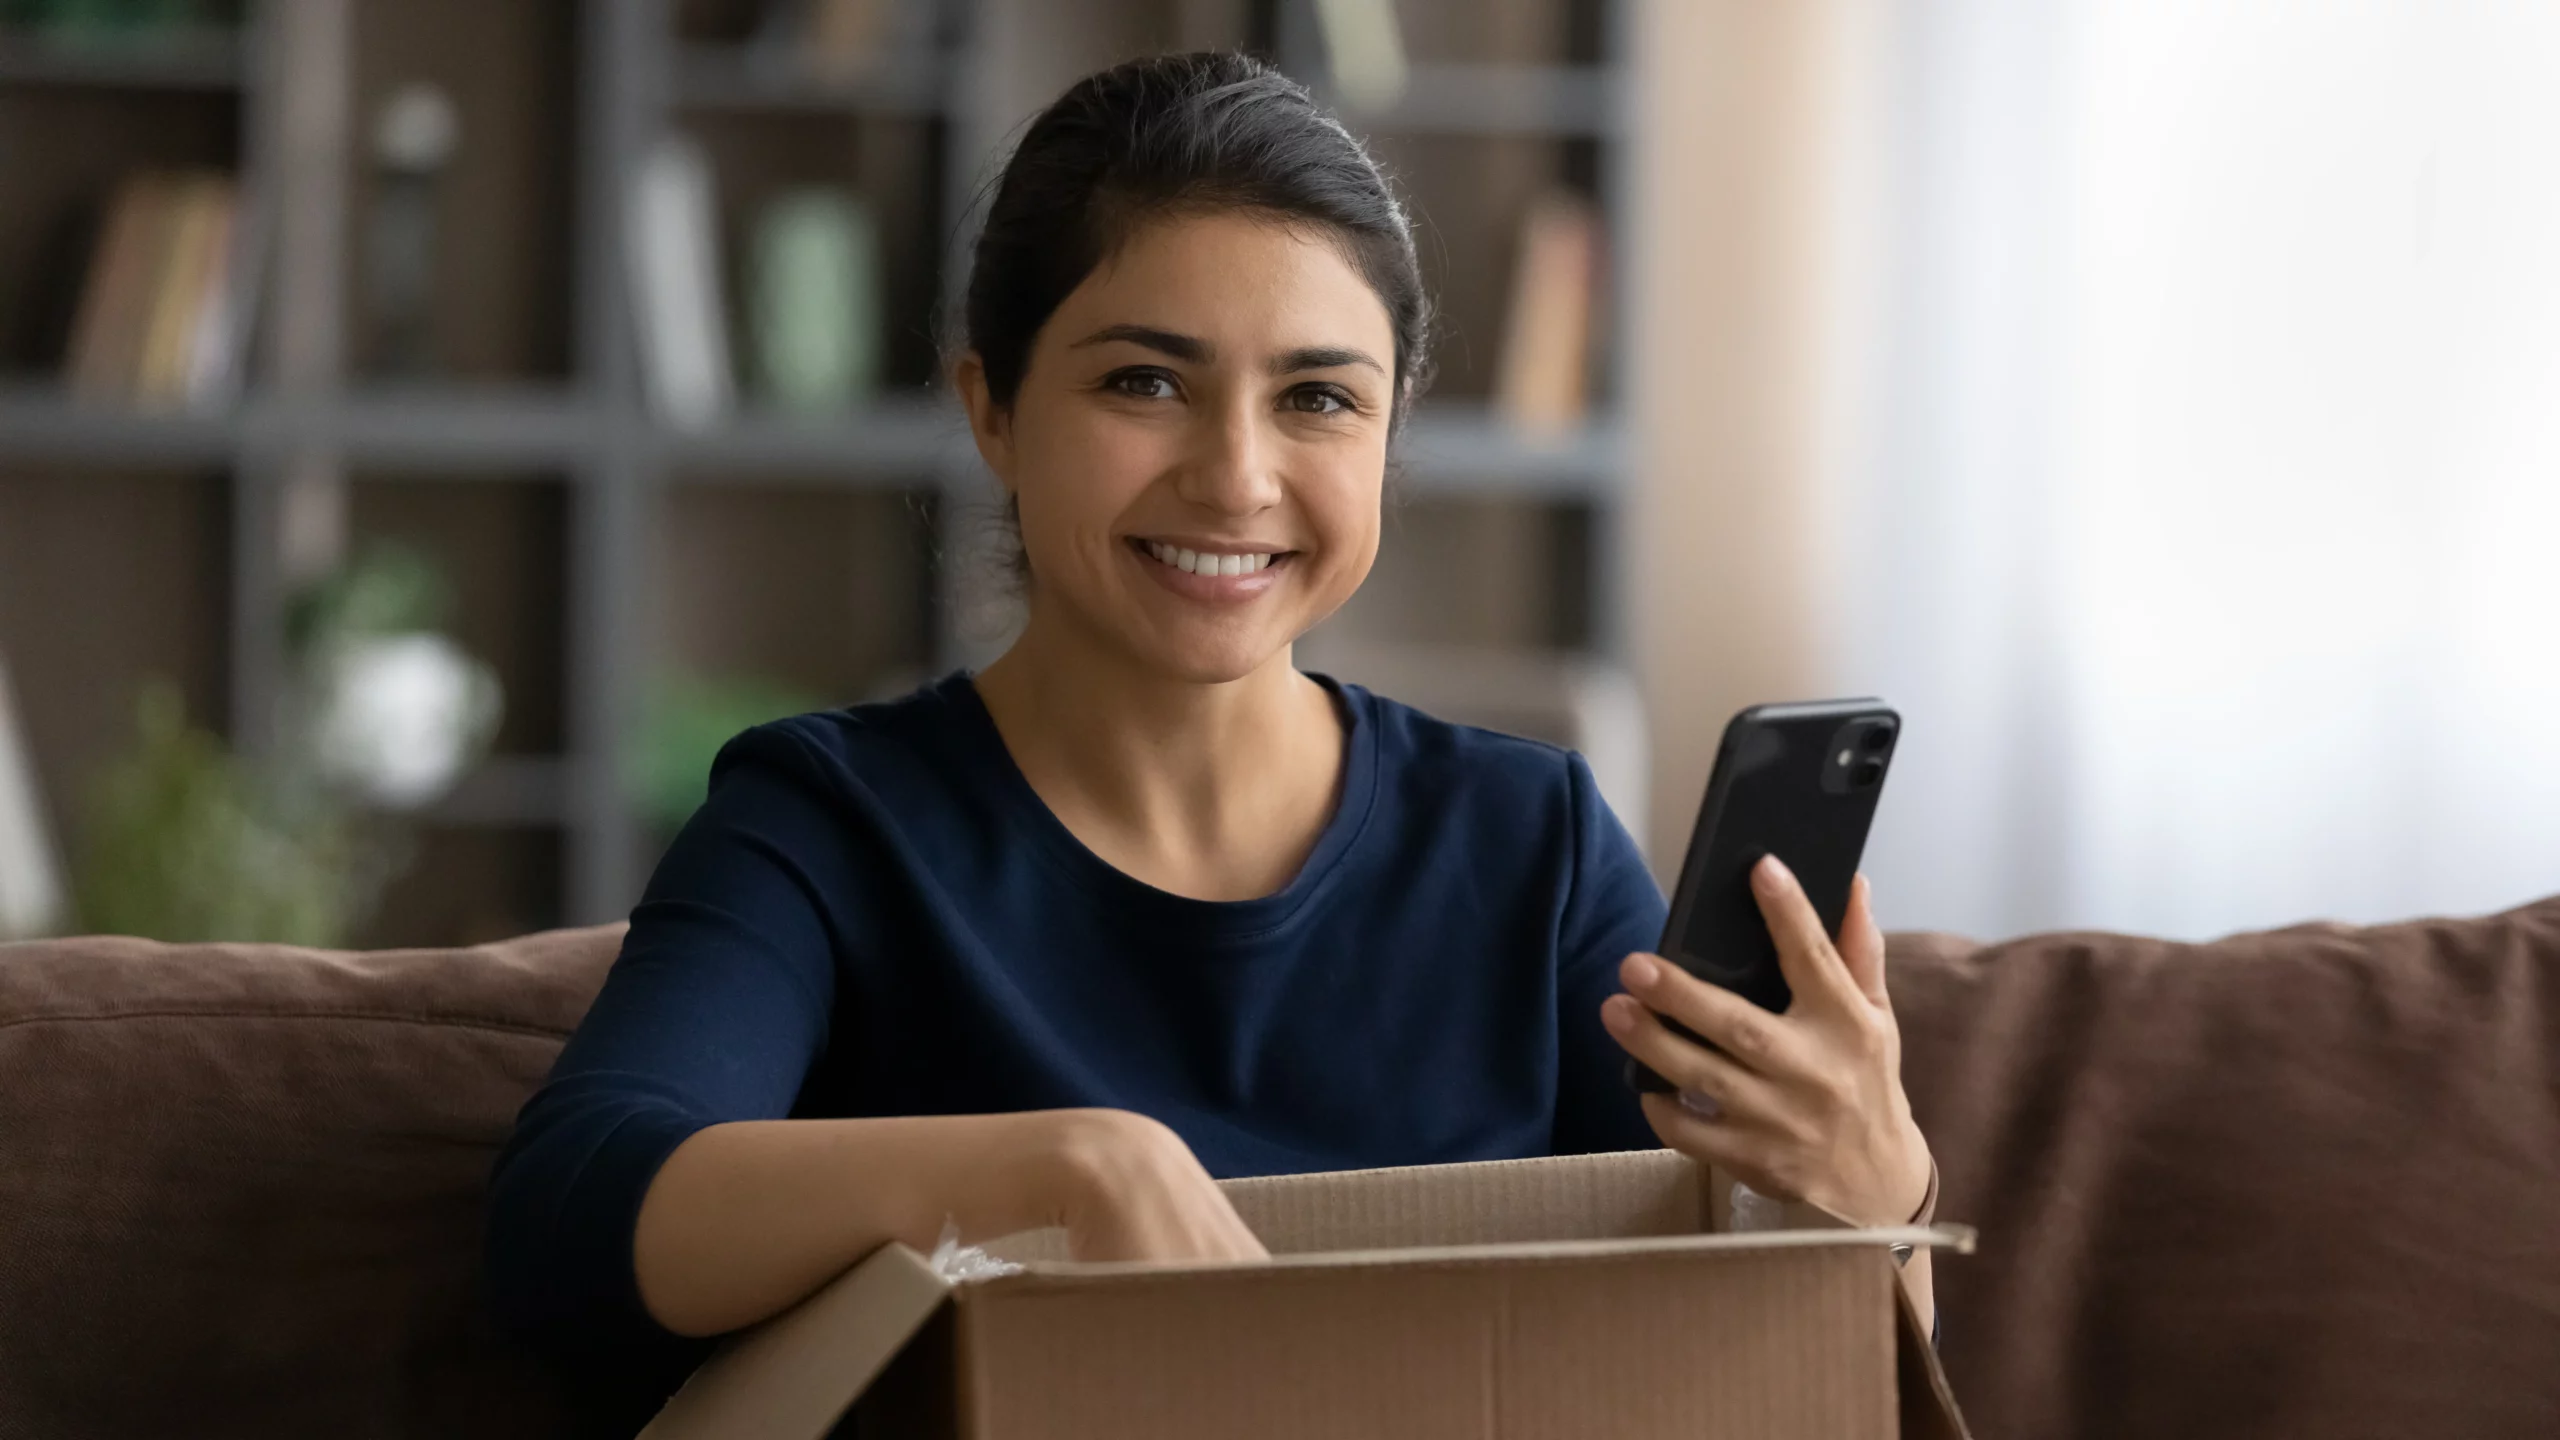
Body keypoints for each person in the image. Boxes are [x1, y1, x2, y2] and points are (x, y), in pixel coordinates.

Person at [485, 50, 1937, 1429]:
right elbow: (576, 1218)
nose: (1236, 477)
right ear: (991, 406)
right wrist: (1055, 1164)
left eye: (1317, 399)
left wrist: (1880, 1198)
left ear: (1390, 429)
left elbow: (1774, 1367)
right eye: (1144, 382)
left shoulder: (1529, 843)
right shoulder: (829, 823)